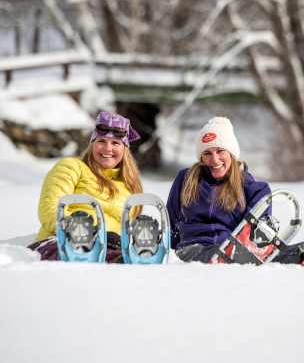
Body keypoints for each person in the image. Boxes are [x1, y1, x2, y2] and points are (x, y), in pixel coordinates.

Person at [28, 111, 143, 263]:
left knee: (135, 254)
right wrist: (86, 233)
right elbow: (50, 208)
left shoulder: (129, 185)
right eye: (101, 141)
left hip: (109, 250)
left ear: (124, 149)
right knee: (83, 250)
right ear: (93, 143)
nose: (108, 148)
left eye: (115, 143)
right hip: (58, 242)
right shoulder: (72, 166)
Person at [166, 116, 274, 264]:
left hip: (232, 249)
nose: (214, 160)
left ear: (231, 153)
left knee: (269, 254)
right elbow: (170, 225)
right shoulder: (186, 179)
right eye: (207, 153)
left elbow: (255, 238)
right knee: (221, 253)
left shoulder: (251, 189)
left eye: (220, 151)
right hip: (190, 249)